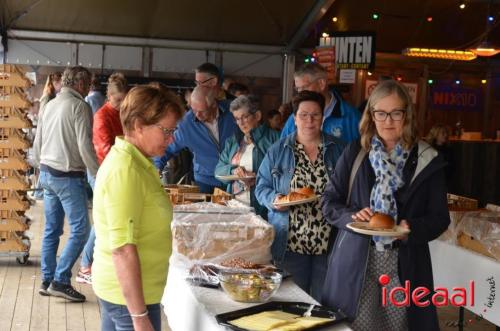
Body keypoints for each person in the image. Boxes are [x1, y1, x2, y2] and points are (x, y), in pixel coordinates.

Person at [322, 80, 450, 331]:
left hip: (406, 264)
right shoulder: (355, 153)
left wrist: (410, 227)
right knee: (356, 326)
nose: (388, 121)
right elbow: (329, 202)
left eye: (396, 113)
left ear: (407, 115)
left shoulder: (428, 159)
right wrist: (352, 216)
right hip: (356, 262)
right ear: (371, 115)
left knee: (401, 327)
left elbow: (439, 217)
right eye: (380, 113)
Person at [93, 85, 183, 331]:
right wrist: (139, 315)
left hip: (127, 293)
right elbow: (122, 249)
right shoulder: (126, 169)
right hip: (130, 298)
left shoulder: (138, 161)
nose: (171, 138)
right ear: (138, 125)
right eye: (166, 130)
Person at [255, 91, 345, 301]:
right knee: (294, 303)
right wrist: (275, 200)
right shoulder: (278, 150)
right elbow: (261, 187)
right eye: (303, 115)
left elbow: (348, 191)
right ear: (294, 118)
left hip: (329, 245)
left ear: (323, 117)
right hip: (290, 244)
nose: (310, 120)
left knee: (326, 303)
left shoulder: (338, 150)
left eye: (315, 114)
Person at [33, 66, 98, 302]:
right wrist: (98, 174)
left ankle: (47, 280)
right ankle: (60, 280)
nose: (90, 88)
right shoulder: (80, 106)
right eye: (89, 84)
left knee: (52, 231)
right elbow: (84, 145)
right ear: (81, 84)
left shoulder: (49, 104)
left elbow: (38, 142)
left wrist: (40, 169)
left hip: (47, 174)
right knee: (82, 231)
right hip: (68, 176)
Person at [76, 72, 128, 285]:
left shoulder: (122, 114)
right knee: (104, 220)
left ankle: (94, 263)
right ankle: (85, 266)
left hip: (117, 171)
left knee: (110, 219)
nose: (121, 104)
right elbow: (104, 150)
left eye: (124, 100)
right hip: (101, 172)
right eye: (118, 100)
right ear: (109, 96)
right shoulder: (102, 115)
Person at [154, 86, 238, 193]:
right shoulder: (186, 123)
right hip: (205, 181)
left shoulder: (232, 111)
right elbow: (168, 148)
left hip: (233, 178)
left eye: (202, 111)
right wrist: (156, 167)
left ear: (213, 104)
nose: (197, 115)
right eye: (193, 110)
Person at [215, 95, 280, 219]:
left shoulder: (275, 139)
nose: (240, 123)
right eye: (237, 118)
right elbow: (218, 171)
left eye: (244, 117)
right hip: (235, 208)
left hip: (263, 208)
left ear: (257, 116)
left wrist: (258, 178)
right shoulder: (233, 141)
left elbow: (283, 173)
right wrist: (233, 171)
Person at [281, 63, 361, 143]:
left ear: (321, 84)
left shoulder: (352, 117)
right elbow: (282, 150)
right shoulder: (295, 118)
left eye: (304, 87)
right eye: (298, 89)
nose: (300, 93)